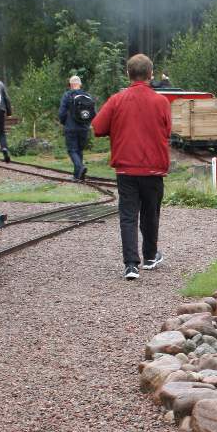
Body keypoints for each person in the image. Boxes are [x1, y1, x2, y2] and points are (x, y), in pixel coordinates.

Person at [92, 53, 170, 280]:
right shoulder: (161, 101)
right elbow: (166, 130)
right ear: (150, 74)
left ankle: (131, 265)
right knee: (150, 213)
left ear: (128, 74)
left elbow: (97, 127)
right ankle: (150, 256)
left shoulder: (117, 100)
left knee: (128, 215)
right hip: (154, 168)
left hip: (126, 168)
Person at [58, 74, 94, 179]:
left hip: (71, 127)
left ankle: (80, 167)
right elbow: (93, 113)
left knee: (72, 150)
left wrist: (64, 122)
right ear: (80, 84)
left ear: (70, 85)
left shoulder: (67, 95)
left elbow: (62, 113)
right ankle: (77, 175)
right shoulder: (87, 96)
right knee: (79, 150)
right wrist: (87, 124)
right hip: (84, 128)